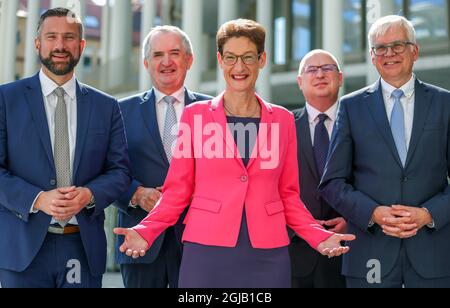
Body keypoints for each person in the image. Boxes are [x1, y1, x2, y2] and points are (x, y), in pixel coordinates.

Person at [114, 19, 354, 288]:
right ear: (220, 60)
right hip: (206, 252)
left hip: (268, 253)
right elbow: (177, 190)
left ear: (262, 60)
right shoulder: (195, 117)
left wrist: (317, 236)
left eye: (248, 57)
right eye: (231, 57)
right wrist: (146, 231)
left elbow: (288, 196)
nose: (239, 67)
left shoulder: (283, 120)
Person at [0, 8, 130, 288]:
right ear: (38, 43)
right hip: (22, 250)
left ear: (81, 45)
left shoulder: (106, 107)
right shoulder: (5, 99)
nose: (60, 45)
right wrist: (37, 199)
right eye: (51, 36)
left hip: (81, 247)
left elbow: (119, 171)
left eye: (69, 37)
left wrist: (90, 194)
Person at [319, 15, 450, 288]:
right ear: (372, 56)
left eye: (398, 45)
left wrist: (429, 213)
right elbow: (332, 182)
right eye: (381, 48)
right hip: (371, 253)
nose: (389, 54)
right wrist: (373, 213)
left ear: (415, 51)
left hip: (434, 254)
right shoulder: (351, 107)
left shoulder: (444, 103)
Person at [114, 26, 212, 288]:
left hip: (199, 241)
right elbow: (106, 171)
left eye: (174, 53)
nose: (166, 62)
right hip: (140, 240)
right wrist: (136, 194)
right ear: (146, 63)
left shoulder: (215, 111)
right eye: (158, 54)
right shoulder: (119, 111)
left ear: (189, 60)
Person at [289, 49, 347, 288]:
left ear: (340, 78)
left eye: (327, 68)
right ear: (300, 82)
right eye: (311, 70)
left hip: (349, 250)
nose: (320, 74)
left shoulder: (360, 122)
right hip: (295, 251)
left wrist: (353, 219)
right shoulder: (284, 126)